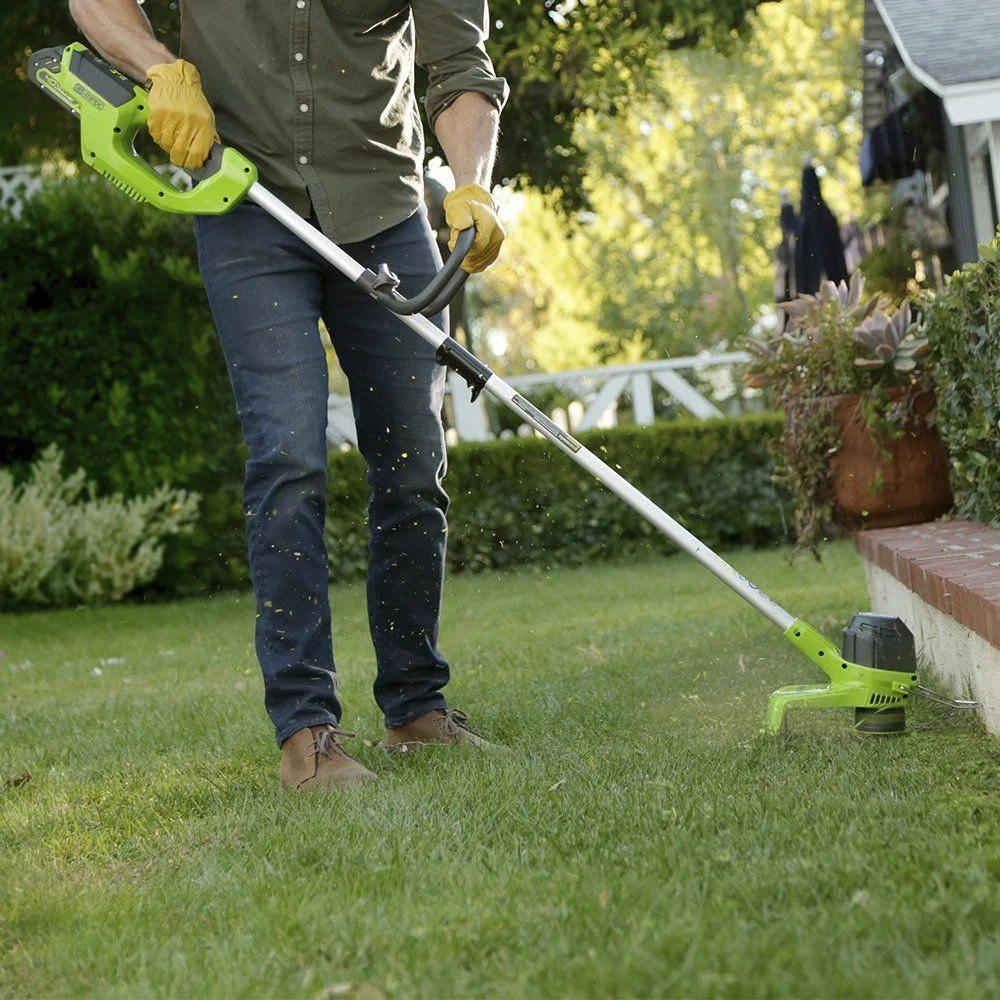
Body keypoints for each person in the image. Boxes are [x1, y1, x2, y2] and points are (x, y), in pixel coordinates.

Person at [67, 0, 509, 790]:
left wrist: (473, 184)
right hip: (246, 205)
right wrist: (158, 67)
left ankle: (416, 708)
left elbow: (459, 68)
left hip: (384, 206)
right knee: (288, 457)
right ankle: (307, 733)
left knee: (414, 466)